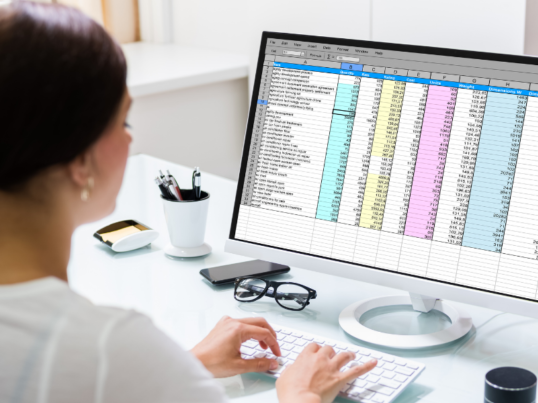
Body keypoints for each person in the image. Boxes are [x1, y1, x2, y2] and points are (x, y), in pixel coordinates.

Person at [0, 2, 377, 403]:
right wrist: (302, 393)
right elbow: (97, 366)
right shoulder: (110, 346)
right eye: (123, 122)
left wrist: (180, 369)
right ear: (79, 161)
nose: (130, 139)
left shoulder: (102, 355)